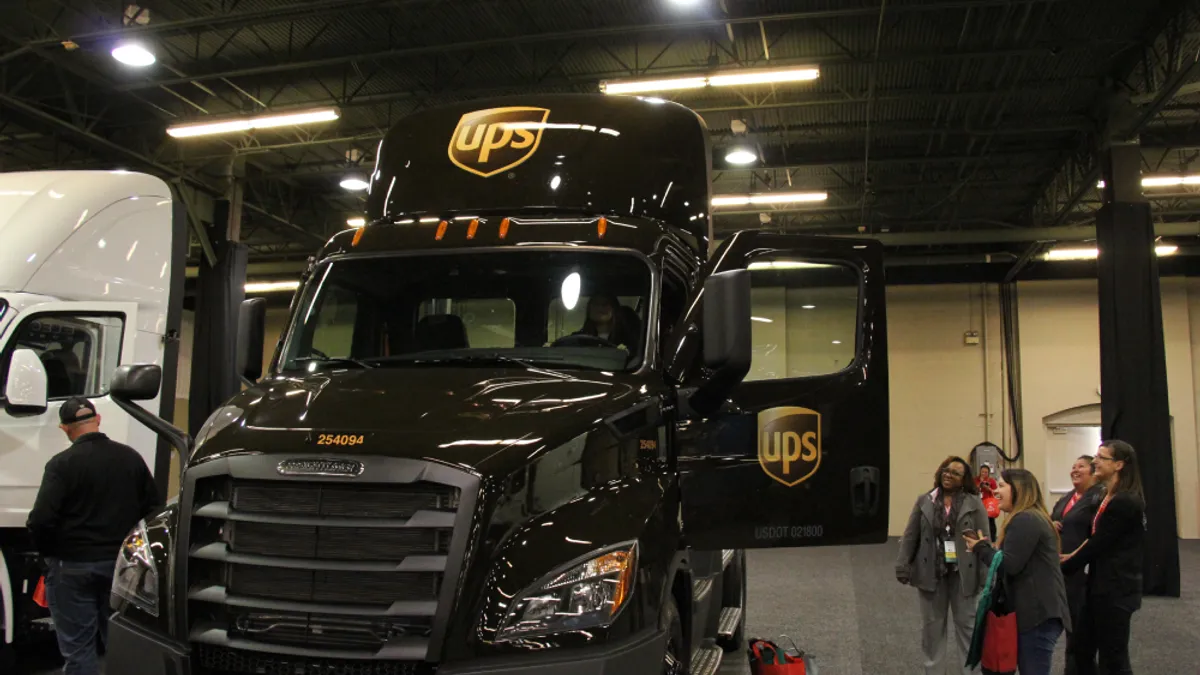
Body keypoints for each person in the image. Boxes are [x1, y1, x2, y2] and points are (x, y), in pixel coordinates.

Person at [26, 397, 164, 675]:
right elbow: (154, 510)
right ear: (98, 419)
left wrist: (48, 556)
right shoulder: (130, 458)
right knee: (121, 648)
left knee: (79, 653)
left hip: (72, 568)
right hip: (120, 570)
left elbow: (40, 520)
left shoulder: (61, 464)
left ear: (65, 428)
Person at [965, 469, 1071, 675]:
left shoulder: (1025, 519)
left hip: (1037, 616)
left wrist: (980, 548)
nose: (996, 491)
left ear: (1019, 489)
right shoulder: (1029, 518)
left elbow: (1009, 565)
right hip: (1035, 613)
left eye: (1002, 485)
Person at [896, 456, 990, 675]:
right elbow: (911, 536)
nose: (948, 475)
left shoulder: (974, 503)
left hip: (963, 574)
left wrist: (985, 576)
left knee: (967, 627)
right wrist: (903, 564)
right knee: (932, 629)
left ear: (964, 479)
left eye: (955, 473)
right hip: (931, 573)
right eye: (946, 470)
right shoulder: (924, 501)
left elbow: (984, 540)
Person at [1060, 440, 1146, 675]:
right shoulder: (1105, 497)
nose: (1094, 461)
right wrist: (1071, 555)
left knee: (1113, 658)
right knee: (1081, 649)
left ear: (1119, 464)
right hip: (1098, 586)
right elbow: (1093, 538)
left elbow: (1098, 544)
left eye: (1101, 457)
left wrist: (1067, 565)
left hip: (1116, 589)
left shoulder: (1125, 502)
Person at [1050, 455, 1104, 675]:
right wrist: (1051, 523)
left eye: (1081, 466)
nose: (1075, 470)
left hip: (1083, 571)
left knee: (1080, 631)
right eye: (1073, 466)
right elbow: (1053, 518)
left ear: (1093, 472)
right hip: (1063, 570)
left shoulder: (1098, 499)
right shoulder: (1067, 498)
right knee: (1069, 624)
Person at [976, 464, 999, 540]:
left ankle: (992, 539)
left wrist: (988, 488)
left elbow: (995, 492)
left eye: (986, 472)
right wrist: (980, 484)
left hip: (988, 504)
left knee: (990, 521)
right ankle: (980, 537)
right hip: (978, 503)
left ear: (988, 473)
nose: (984, 474)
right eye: (982, 472)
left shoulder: (991, 481)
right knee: (978, 521)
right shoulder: (976, 479)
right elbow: (973, 490)